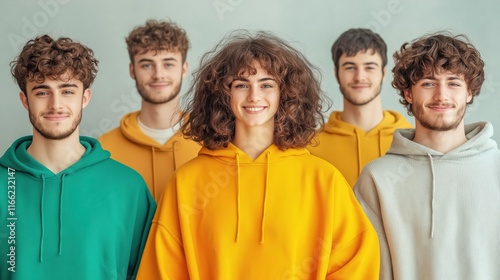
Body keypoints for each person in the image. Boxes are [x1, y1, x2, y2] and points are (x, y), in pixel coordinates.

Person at [136, 30, 380, 280]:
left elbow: (355, 262)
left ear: (285, 94)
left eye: (266, 84)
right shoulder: (186, 182)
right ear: (223, 94)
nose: (254, 96)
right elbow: (163, 270)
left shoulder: (323, 179)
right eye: (241, 85)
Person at [0, 35, 156, 279]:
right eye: (42, 92)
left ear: (85, 98)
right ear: (25, 100)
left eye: (67, 91)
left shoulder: (128, 187)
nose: (56, 105)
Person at [354, 33, 500, 279]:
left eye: (453, 83)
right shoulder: (377, 178)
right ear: (408, 94)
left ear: (469, 93)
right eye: (428, 83)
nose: (441, 95)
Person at [99, 19, 201, 201]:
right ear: (132, 70)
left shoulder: (208, 142)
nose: (158, 74)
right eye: (147, 65)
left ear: (184, 69)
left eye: (168, 64)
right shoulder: (104, 150)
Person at [308, 28, 412, 187]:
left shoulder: (412, 142)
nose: (359, 77)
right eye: (350, 67)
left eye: (369, 67)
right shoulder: (311, 146)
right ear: (336, 74)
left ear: (383, 74)